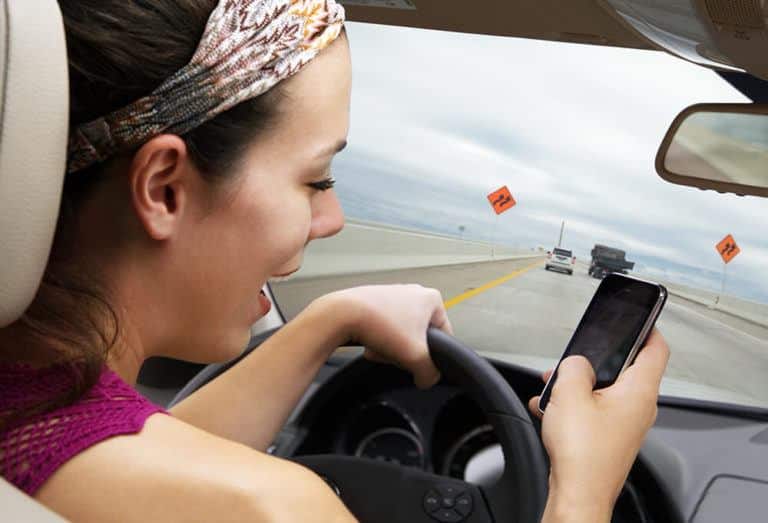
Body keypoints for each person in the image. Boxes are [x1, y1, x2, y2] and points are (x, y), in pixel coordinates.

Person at [0, 0, 670, 521]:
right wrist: (583, 490)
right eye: (315, 181)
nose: (333, 219)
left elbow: (133, 448)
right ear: (164, 188)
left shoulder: (33, 406)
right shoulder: (275, 506)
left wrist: (328, 321)